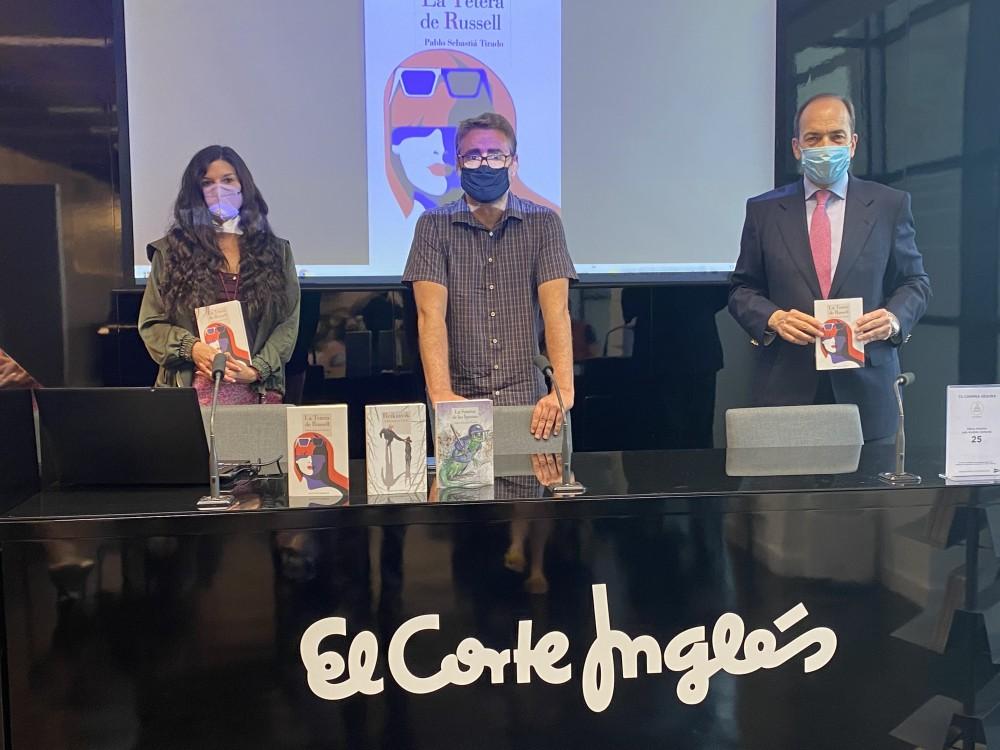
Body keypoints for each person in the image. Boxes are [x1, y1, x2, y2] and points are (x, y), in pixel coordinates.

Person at [729, 94, 931, 441]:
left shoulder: (889, 205)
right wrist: (773, 318)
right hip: (786, 388)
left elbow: (915, 282)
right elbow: (742, 288)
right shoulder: (764, 211)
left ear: (852, 144)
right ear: (797, 148)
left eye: (836, 136)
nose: (826, 147)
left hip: (868, 389)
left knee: (868, 480)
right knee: (786, 478)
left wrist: (894, 318)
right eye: (814, 138)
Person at [402, 112, 577, 440]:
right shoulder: (433, 226)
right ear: (458, 164)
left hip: (532, 406)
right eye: (473, 156)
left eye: (495, 156)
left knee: (541, 473)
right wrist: (440, 394)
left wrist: (563, 390)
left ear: (513, 164)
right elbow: (429, 315)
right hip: (460, 404)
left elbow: (557, 312)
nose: (484, 164)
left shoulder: (544, 223)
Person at [139, 145, 300, 405]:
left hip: (258, 392)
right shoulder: (170, 252)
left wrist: (257, 369)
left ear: (243, 186)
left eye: (227, 180)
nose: (219, 190)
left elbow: (287, 323)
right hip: (191, 395)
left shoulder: (276, 252)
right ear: (196, 192)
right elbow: (152, 324)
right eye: (207, 183)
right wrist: (193, 349)